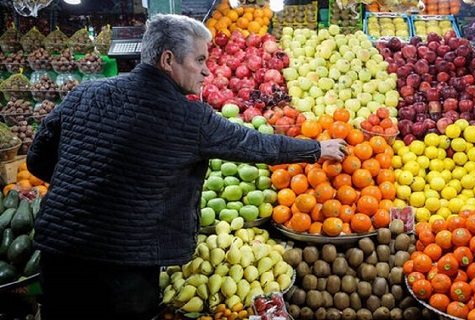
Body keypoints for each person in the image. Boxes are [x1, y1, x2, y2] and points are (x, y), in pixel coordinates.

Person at [26, 14, 348, 320]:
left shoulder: (84, 92)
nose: (207, 72)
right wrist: (317, 148)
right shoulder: (191, 118)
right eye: (199, 60)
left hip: (57, 256)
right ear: (168, 60)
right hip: (124, 268)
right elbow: (256, 145)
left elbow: (37, 160)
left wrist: (88, 183)